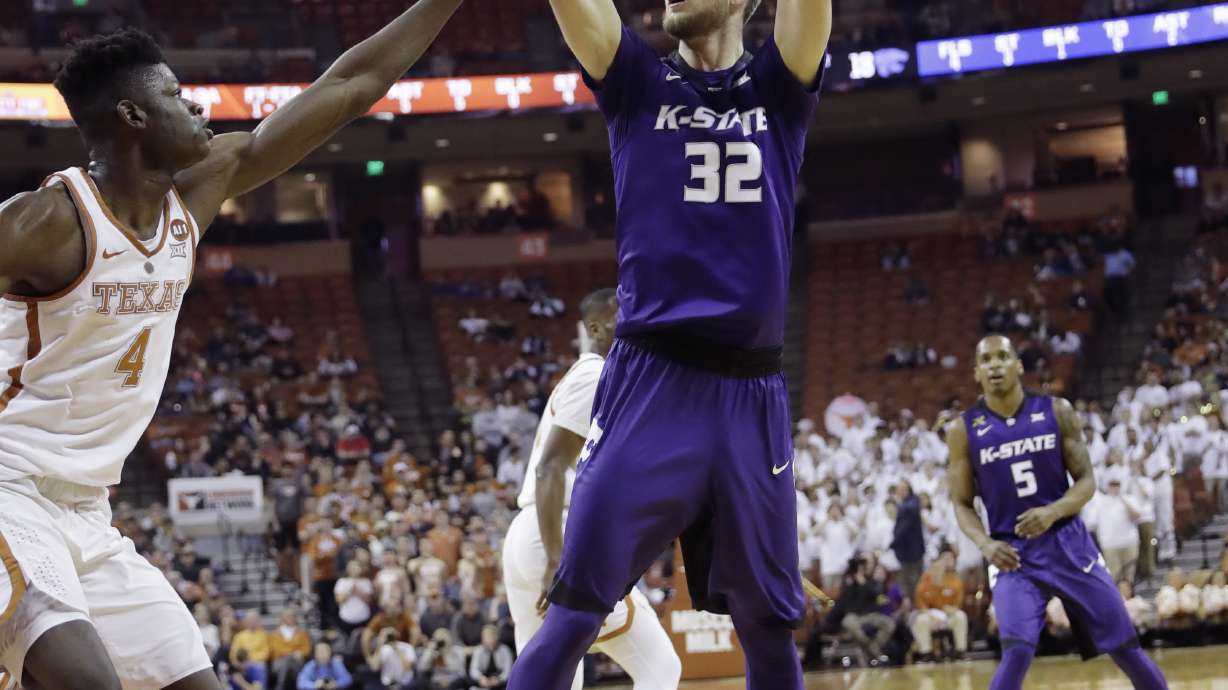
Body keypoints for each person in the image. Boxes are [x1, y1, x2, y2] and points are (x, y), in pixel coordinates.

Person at [0, 1, 464, 685]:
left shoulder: (197, 194)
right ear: (132, 118)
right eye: (175, 97)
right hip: (10, 494)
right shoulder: (45, 222)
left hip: (90, 513)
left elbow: (347, 89)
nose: (196, 109)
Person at [506, 0, 832, 685]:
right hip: (652, 384)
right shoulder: (635, 80)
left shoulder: (779, 86)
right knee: (572, 616)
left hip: (752, 395)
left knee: (770, 629)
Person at [947, 335, 1169, 690]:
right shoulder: (963, 430)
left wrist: (1052, 512)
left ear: (1018, 366)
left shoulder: (1056, 411)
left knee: (1126, 647)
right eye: (986, 360)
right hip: (1012, 555)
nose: (994, 366)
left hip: (1068, 544)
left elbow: (1087, 481)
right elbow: (960, 503)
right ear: (976, 372)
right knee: (1016, 652)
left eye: (1003, 357)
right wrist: (986, 545)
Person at [502, 288, 680, 690]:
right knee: (660, 667)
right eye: (625, 313)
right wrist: (554, 559)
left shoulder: (599, 379)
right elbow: (551, 468)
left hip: (532, 533)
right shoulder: (594, 375)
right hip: (557, 534)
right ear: (597, 327)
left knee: (555, 680)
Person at [911, 546, 968, 661]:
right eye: (934, 567)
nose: (937, 570)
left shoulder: (954, 581)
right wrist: (932, 616)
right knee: (921, 620)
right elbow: (921, 606)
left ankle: (960, 651)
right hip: (931, 618)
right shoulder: (925, 581)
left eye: (940, 567)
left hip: (948, 617)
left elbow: (958, 605)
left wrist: (951, 610)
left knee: (961, 616)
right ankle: (926, 654)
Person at [467, 625, 513, 690]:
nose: (489, 638)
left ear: (497, 636)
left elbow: (508, 671)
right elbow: (473, 670)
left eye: (491, 635)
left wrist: (499, 679)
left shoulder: (505, 650)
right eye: (486, 636)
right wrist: (481, 678)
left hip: (499, 680)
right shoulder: (479, 650)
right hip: (483, 678)